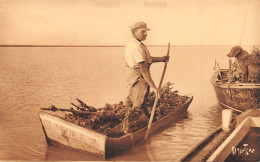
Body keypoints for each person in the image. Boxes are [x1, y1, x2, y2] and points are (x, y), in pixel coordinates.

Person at [124, 21, 169, 108]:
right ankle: (135, 118)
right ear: (134, 32)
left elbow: (146, 59)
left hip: (131, 74)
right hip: (138, 77)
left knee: (131, 98)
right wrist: (153, 87)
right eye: (143, 31)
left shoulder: (134, 44)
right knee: (139, 101)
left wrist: (162, 59)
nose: (145, 34)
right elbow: (143, 69)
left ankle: (125, 114)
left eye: (146, 32)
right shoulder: (136, 47)